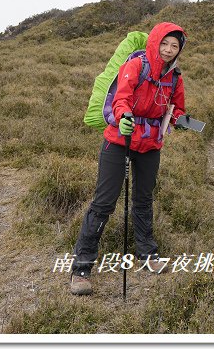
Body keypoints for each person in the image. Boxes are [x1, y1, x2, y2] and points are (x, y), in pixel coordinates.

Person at [70, 22, 187, 295]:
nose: (169, 50)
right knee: (103, 203)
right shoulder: (136, 65)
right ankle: (81, 268)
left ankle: (148, 255)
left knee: (144, 200)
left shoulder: (175, 77)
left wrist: (181, 120)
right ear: (155, 42)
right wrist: (123, 117)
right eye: (165, 44)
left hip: (150, 144)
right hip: (119, 141)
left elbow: (176, 107)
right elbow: (121, 99)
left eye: (175, 46)